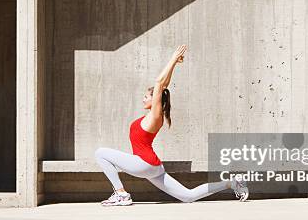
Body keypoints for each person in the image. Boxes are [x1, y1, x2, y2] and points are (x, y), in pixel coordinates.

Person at [94, 44, 249, 206]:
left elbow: (160, 83)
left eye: (146, 96)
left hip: (144, 163)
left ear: (155, 99)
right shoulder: (151, 116)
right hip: (153, 168)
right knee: (188, 196)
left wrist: (173, 60)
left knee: (100, 153)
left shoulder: (155, 116)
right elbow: (163, 85)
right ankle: (233, 183)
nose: (143, 99)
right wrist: (172, 67)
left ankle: (121, 194)